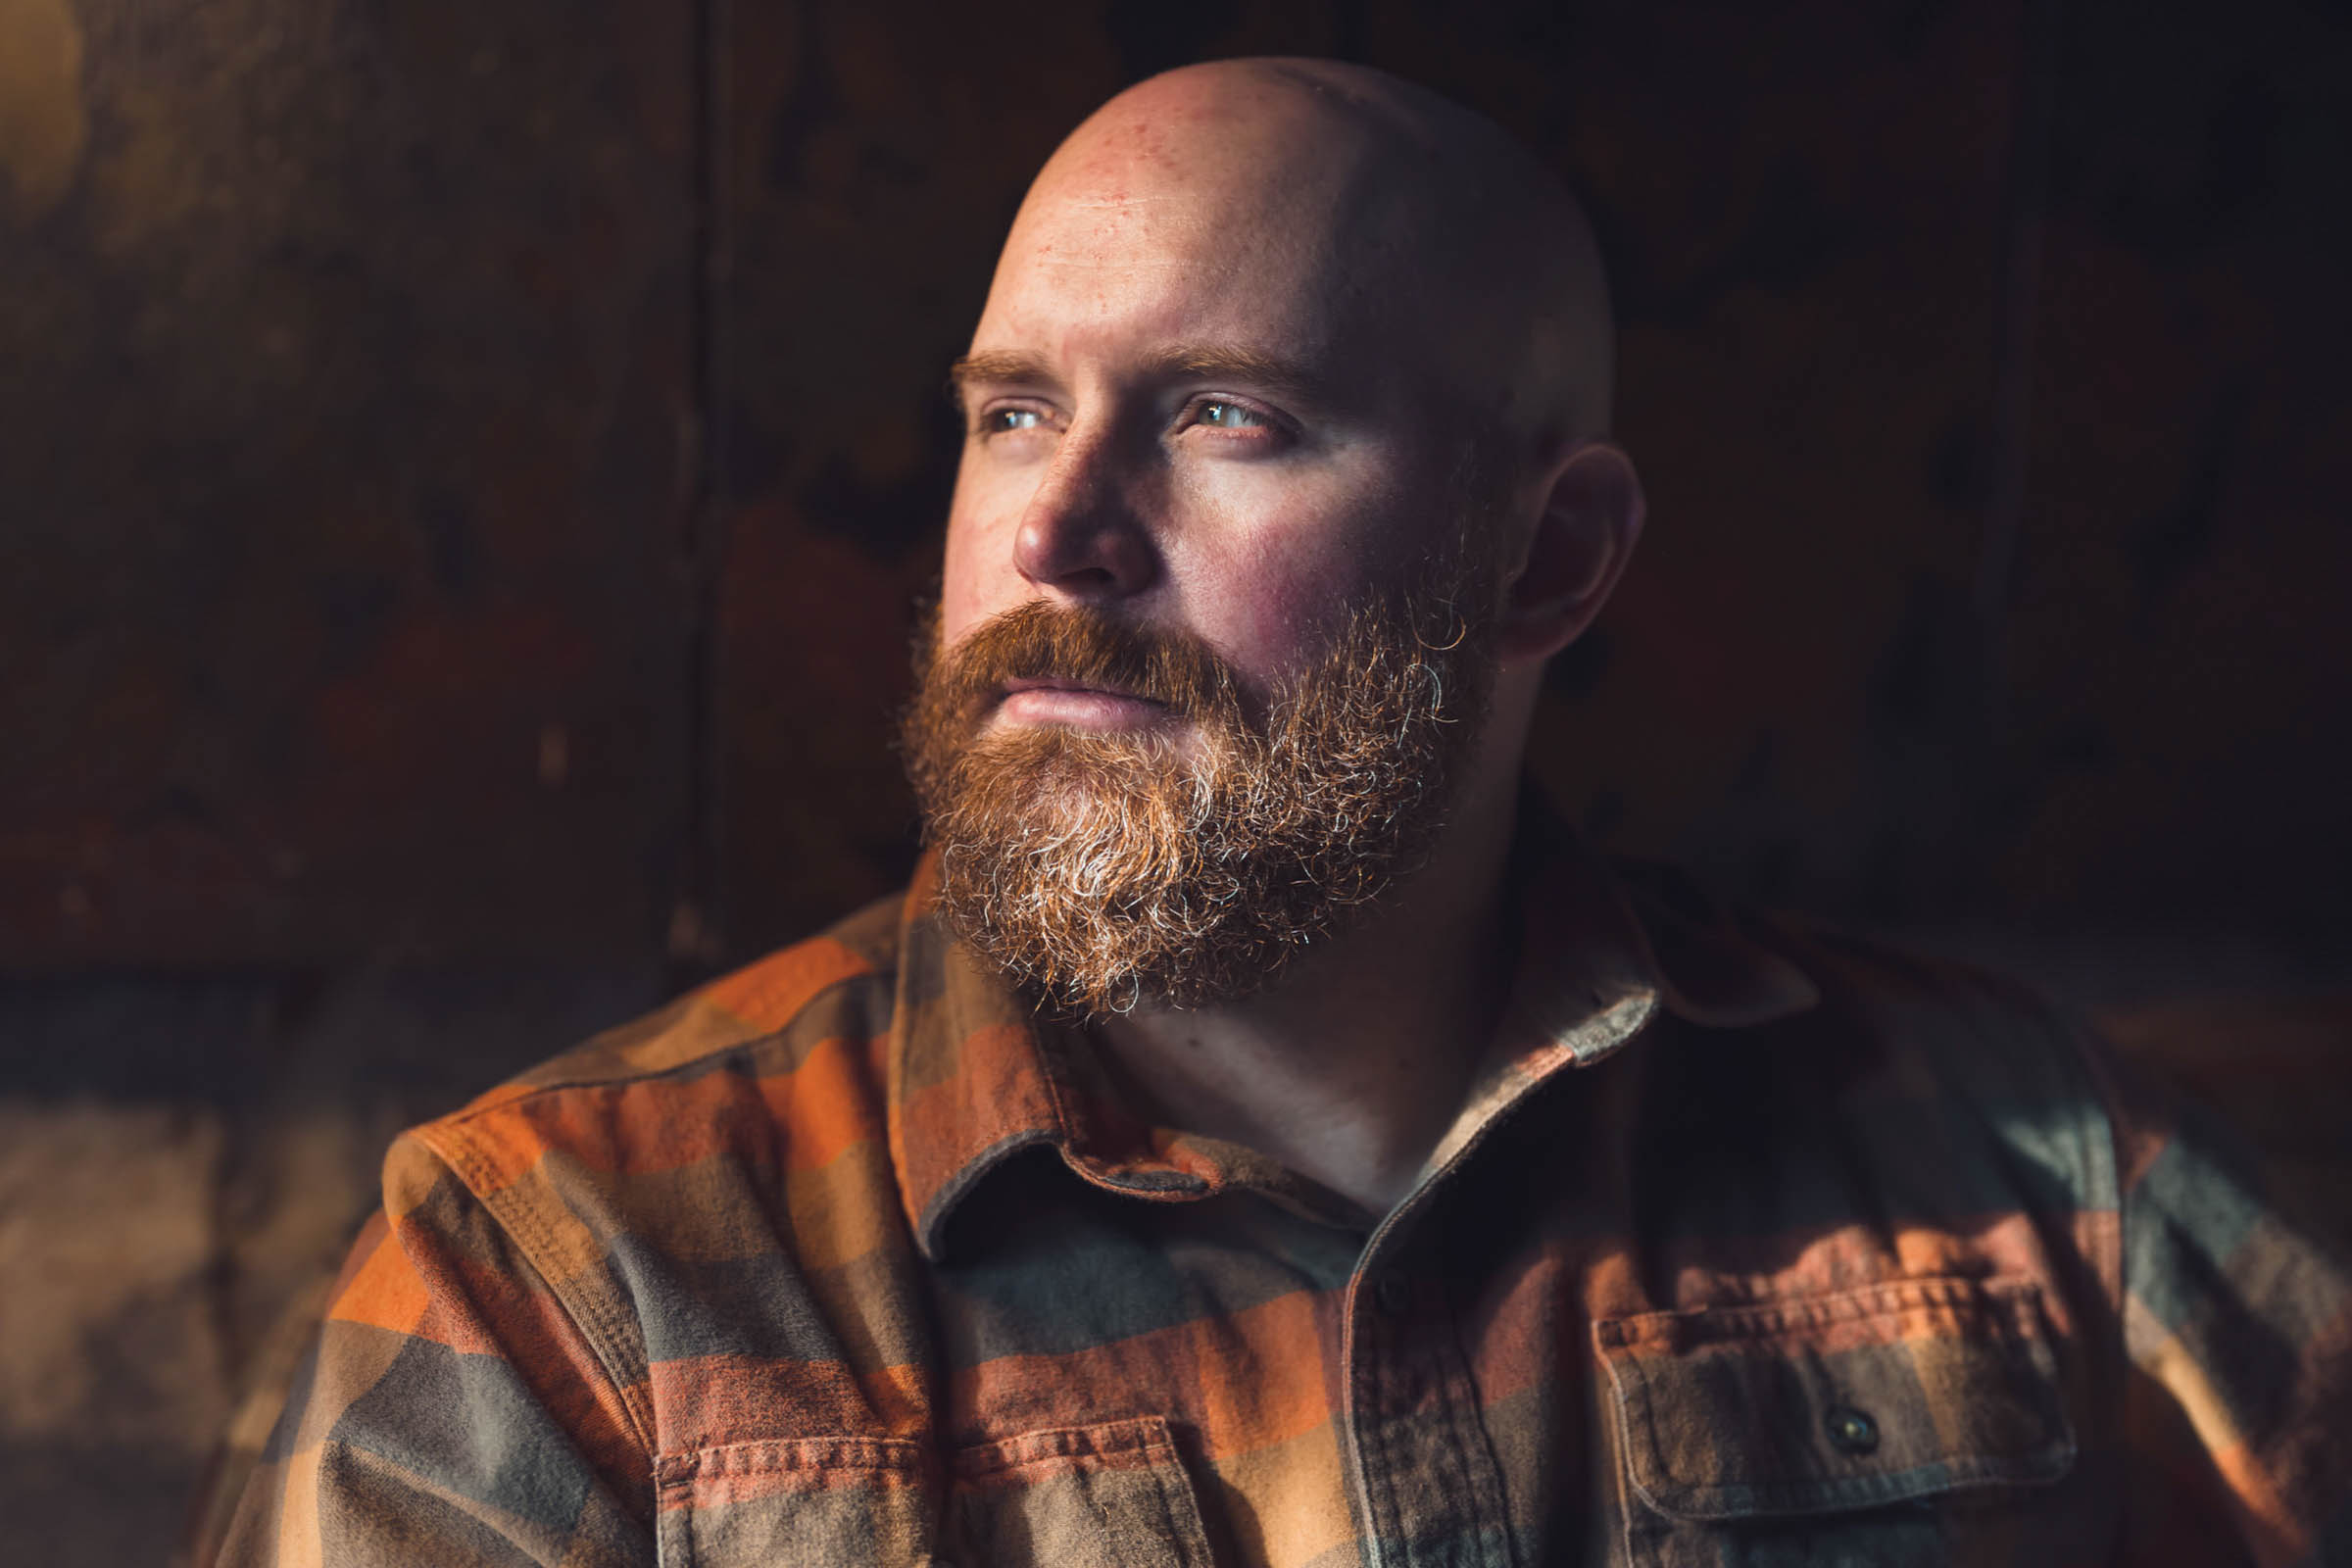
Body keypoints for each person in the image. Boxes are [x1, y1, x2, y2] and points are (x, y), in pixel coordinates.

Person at [209, 58, 2350, 1567]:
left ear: (1546, 560)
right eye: (1012, 411)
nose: (1053, 528)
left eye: (1226, 415)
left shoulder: (2032, 1174)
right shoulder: (564, 1281)